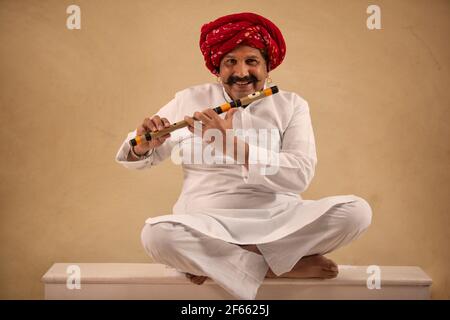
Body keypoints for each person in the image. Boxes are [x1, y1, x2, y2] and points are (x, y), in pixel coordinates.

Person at [115, 12, 372, 300]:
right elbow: (137, 152)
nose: (241, 73)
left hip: (279, 220)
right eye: (230, 62)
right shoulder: (189, 99)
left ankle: (224, 263)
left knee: (356, 212)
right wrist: (143, 146)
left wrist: (231, 145)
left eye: (251, 61)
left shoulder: (292, 105)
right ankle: (276, 266)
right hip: (207, 223)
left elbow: (299, 176)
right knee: (157, 236)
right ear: (217, 68)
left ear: (267, 66)